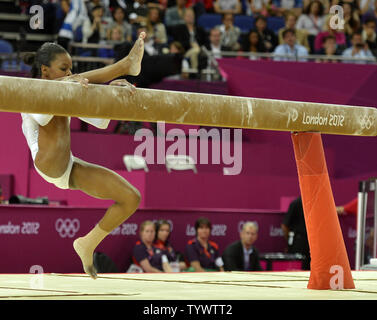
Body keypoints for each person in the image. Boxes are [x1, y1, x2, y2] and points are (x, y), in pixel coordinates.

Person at [20, 32, 146, 279]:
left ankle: (87, 244)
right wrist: (74, 85)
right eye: (63, 69)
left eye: (71, 70)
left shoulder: (68, 88)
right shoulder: (28, 91)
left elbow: (100, 122)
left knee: (131, 197)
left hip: (67, 166)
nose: (69, 74)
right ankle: (123, 66)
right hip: (46, 160)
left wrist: (112, 94)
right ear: (44, 70)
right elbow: (45, 118)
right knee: (58, 104)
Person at [281, 196, 310, 270]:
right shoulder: (296, 203)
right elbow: (284, 226)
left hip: (311, 244)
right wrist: (290, 242)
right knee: (296, 269)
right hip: (298, 243)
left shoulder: (316, 204)